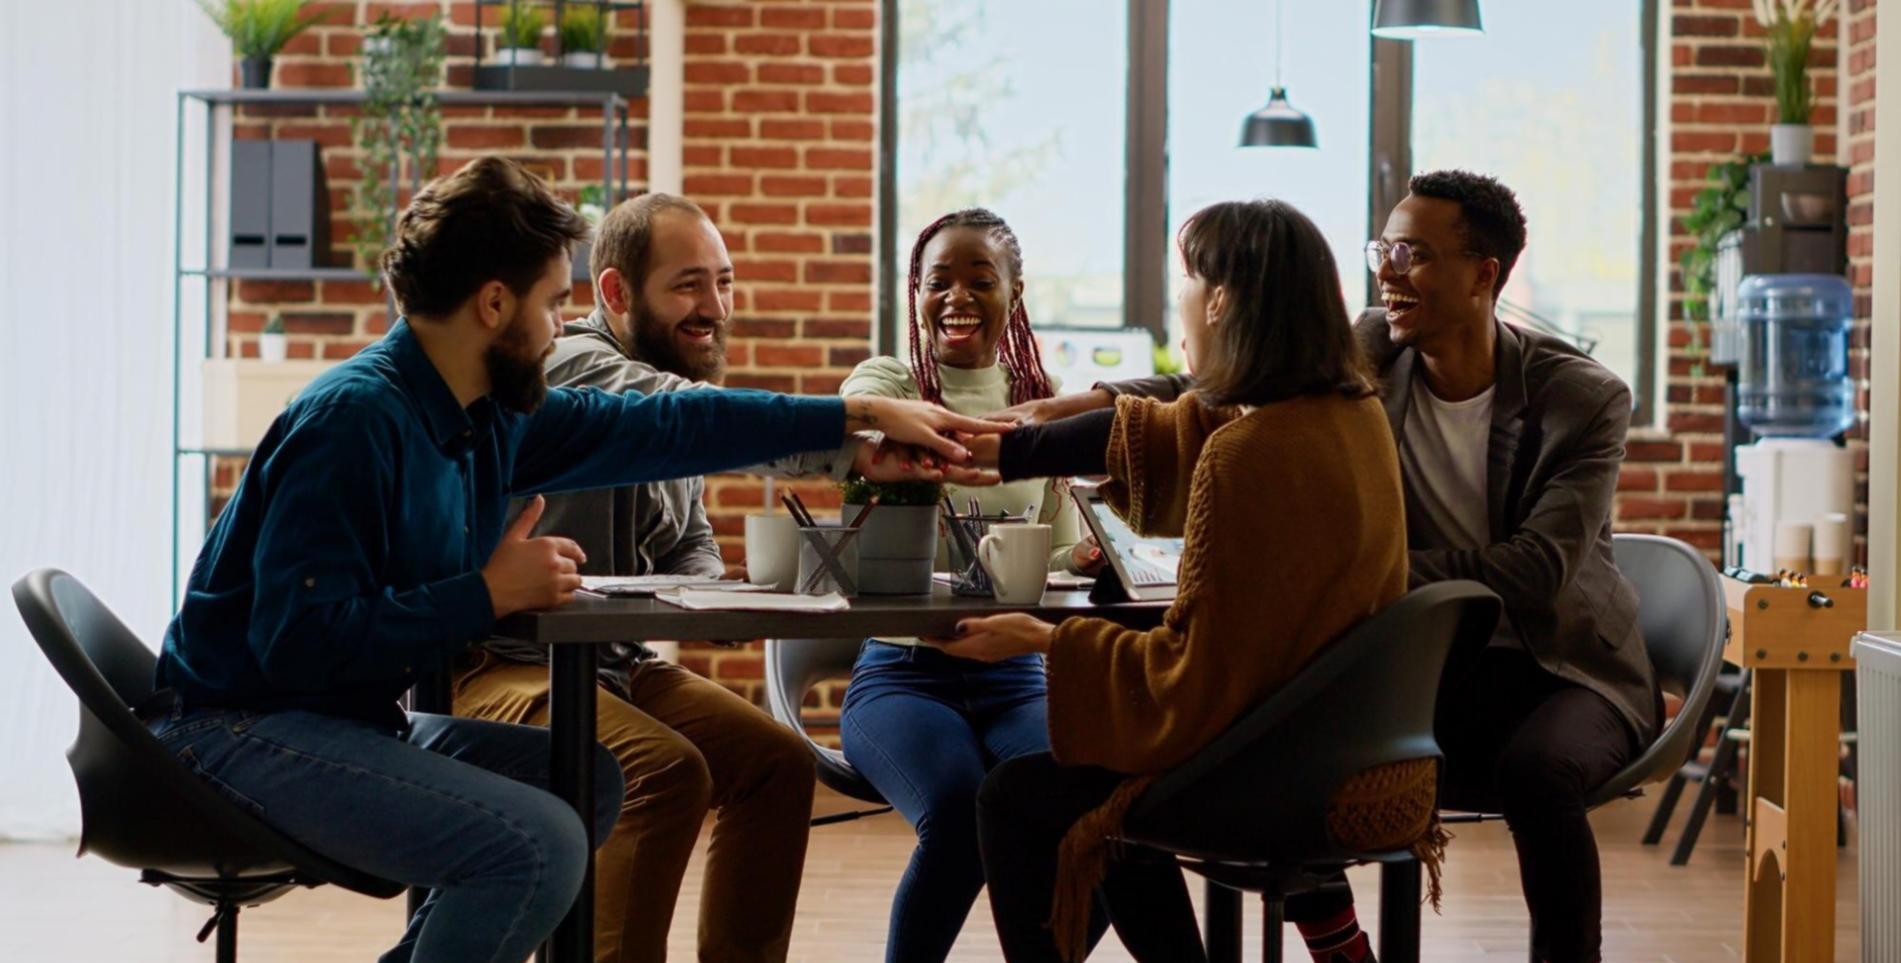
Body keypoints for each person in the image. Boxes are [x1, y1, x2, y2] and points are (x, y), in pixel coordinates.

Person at [146, 156, 1011, 963]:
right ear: (494, 304)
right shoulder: (356, 420)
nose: (559, 328)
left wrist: (852, 423)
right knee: (537, 842)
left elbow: (667, 427)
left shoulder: (487, 414)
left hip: (340, 719)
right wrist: (482, 595)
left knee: (587, 784)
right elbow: (293, 642)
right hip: (235, 731)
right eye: (553, 302)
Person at [1001, 171, 1660, 963]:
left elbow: (1535, 570)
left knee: (1537, 774)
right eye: (1382, 247)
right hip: (1421, 656)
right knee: (1290, 720)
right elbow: (1235, 373)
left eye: (1412, 252)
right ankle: (1338, 938)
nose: (1387, 270)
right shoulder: (1372, 348)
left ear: (1484, 273)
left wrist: (1347, 563)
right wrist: (1084, 401)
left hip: (1555, 660)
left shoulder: (1579, 397)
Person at [454, 192, 985, 963]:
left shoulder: (666, 379)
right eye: (688, 284)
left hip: (609, 668)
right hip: (494, 665)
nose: (714, 306)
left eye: (724, 282)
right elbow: (683, 416)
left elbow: (690, 544)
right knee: (660, 772)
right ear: (613, 293)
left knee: (774, 761)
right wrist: (852, 427)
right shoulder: (571, 367)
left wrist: (718, 594)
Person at [931, 198, 1424, 963]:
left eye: (1184, 286)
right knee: (1106, 764)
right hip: (1346, 746)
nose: (1179, 309)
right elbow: (1170, 429)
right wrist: (1007, 447)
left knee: (1019, 795)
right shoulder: (1349, 413)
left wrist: (1042, 640)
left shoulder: (1247, 453)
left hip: (1277, 771)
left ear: (1220, 299)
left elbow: (1191, 679)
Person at [832, 208, 1094, 963]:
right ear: (914, 290)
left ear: (1014, 293)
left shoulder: (1042, 403)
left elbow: (1058, 557)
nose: (957, 296)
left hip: (1017, 676)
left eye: (981, 279)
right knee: (956, 814)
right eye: (938, 279)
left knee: (1093, 813)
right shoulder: (891, 381)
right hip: (903, 674)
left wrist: (1080, 562)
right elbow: (854, 429)